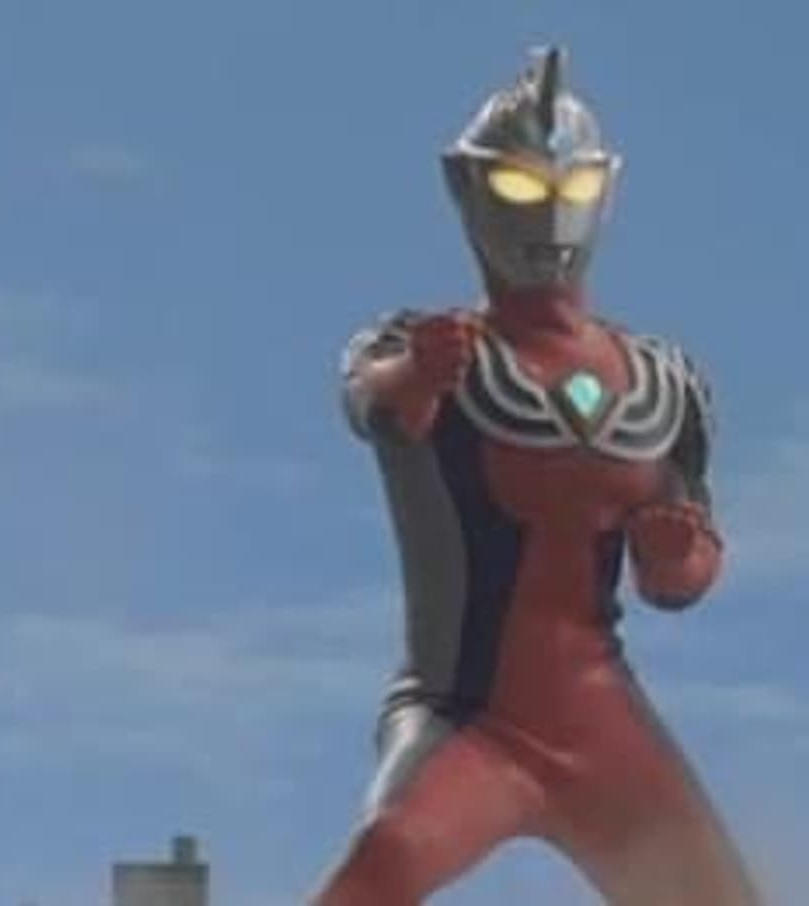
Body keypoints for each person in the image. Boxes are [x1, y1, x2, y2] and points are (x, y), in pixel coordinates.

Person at [312, 46, 760, 905]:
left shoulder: (660, 381)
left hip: (600, 721)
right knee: (386, 858)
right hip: (467, 717)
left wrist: (676, 558)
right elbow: (381, 404)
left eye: (572, 186)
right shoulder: (432, 348)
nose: (550, 211)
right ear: (469, 188)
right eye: (520, 186)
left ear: (604, 189)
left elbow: (684, 568)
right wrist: (418, 376)